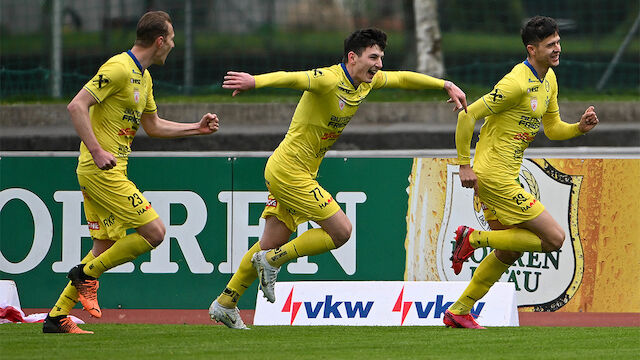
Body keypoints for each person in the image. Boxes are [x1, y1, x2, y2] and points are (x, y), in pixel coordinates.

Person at [208, 28, 468, 329]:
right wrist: (255, 81)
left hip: (301, 171)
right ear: (352, 57)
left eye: (381, 58)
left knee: (269, 242)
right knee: (341, 231)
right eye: (373, 57)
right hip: (288, 171)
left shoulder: (364, 83)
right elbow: (292, 77)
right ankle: (273, 261)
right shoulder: (329, 78)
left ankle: (226, 302)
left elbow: (403, 78)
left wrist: (444, 84)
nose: (379, 64)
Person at [43, 11, 220, 334]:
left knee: (104, 248)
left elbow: (152, 126)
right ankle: (85, 276)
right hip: (100, 171)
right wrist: (96, 150)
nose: (174, 45)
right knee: (154, 232)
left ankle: (57, 318)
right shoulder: (118, 68)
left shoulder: (145, 78)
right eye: (172, 39)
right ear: (159, 41)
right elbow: (76, 105)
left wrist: (196, 128)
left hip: (108, 171)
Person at [444, 16, 599, 329]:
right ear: (532, 49)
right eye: (550, 45)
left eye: (557, 42)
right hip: (492, 175)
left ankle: (459, 311)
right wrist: (464, 164)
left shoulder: (549, 79)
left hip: (505, 174)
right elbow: (467, 115)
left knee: (510, 248)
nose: (558, 49)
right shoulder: (515, 83)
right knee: (554, 239)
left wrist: (579, 128)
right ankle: (472, 238)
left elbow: (553, 129)